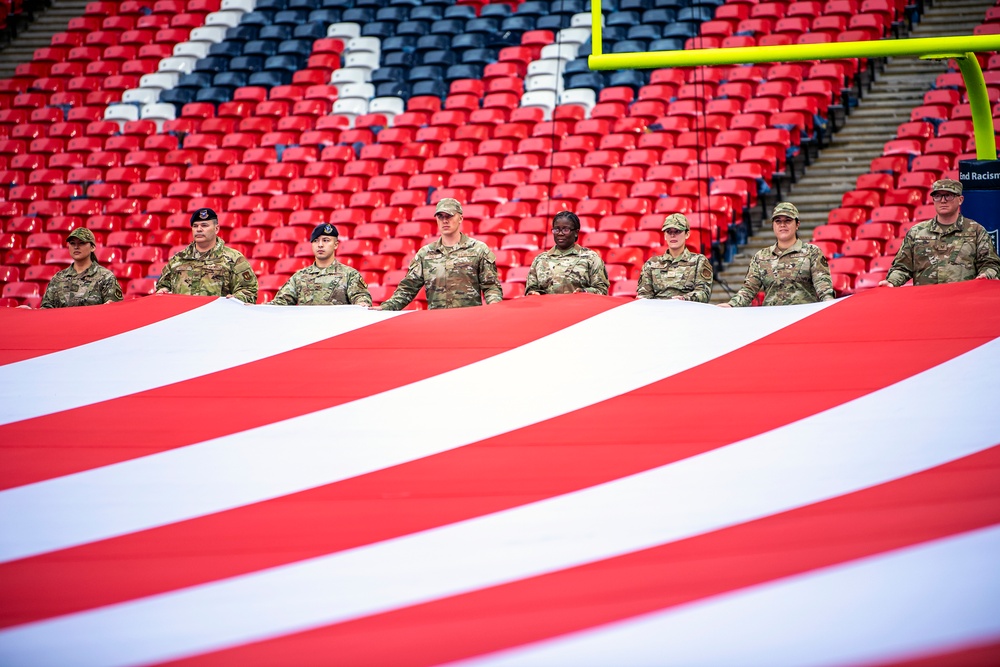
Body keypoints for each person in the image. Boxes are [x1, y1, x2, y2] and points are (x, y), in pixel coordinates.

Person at [379, 198, 503, 310]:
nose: (445, 221)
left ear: (460, 218)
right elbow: (408, 288)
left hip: (469, 321)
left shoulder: (478, 250)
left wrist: (494, 309)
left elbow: (491, 287)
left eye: (449, 216)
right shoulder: (425, 254)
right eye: (440, 217)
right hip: (437, 323)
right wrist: (386, 307)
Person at [879, 178, 999, 287]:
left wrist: (986, 275)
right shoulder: (916, 232)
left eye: (948, 195)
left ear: (960, 199)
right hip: (927, 302)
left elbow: (990, 264)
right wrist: (891, 282)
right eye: (937, 196)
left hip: (963, 301)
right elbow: (902, 267)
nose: (943, 200)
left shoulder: (976, 231)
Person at [721, 202, 835, 307]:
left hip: (803, 319)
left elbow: (823, 287)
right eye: (778, 221)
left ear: (797, 224)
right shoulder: (761, 257)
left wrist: (829, 302)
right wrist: (731, 305)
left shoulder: (812, 252)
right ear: (773, 226)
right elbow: (748, 290)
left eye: (788, 221)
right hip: (773, 320)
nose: (782, 225)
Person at [155, 207, 258, 304]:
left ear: (216, 229)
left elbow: (249, 290)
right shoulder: (178, 259)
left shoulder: (233, 258)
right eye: (195, 226)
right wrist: (163, 290)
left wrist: (236, 299)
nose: (199, 229)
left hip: (217, 319)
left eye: (204, 225)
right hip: (184, 319)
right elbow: (163, 286)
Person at [269, 223, 372, 306]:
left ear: (336, 245)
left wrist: (362, 303)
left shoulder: (350, 275)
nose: (320, 245)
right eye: (315, 241)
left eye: (326, 240)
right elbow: (280, 303)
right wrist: (258, 308)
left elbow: (361, 299)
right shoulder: (300, 277)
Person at [524, 210, 609, 295]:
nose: (560, 233)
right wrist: (534, 293)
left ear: (576, 232)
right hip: (548, 307)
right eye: (556, 229)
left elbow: (602, 290)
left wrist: (584, 292)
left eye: (565, 230)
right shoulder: (540, 259)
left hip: (579, 307)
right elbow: (531, 289)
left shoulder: (591, 258)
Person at [34, 227, 123, 308]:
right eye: (72, 243)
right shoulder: (58, 278)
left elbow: (114, 311)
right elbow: (46, 309)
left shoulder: (106, 277)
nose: (76, 247)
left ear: (92, 247)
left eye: (82, 243)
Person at [636, 213, 713, 302]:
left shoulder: (699, 261)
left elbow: (704, 292)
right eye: (669, 231)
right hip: (658, 312)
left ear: (687, 234)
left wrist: (684, 299)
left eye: (677, 231)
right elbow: (644, 295)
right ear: (665, 235)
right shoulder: (651, 263)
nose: (673, 235)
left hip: (687, 310)